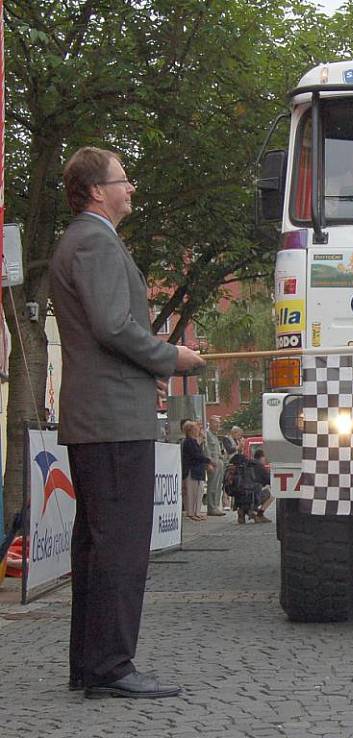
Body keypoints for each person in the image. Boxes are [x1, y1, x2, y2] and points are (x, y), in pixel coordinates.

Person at [50, 146, 205, 699]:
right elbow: (113, 326)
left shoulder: (85, 240)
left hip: (104, 414)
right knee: (118, 545)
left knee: (97, 544)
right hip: (111, 421)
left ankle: (91, 664)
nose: (131, 188)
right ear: (97, 190)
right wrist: (170, 358)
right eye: (123, 179)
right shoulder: (93, 240)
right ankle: (111, 666)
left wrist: (148, 371)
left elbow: (106, 335)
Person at [182, 421, 214, 521]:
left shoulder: (195, 442)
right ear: (190, 431)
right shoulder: (188, 442)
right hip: (192, 469)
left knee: (198, 491)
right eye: (196, 429)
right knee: (192, 492)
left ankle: (196, 511)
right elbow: (196, 455)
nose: (198, 431)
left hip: (198, 470)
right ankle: (191, 512)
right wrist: (208, 461)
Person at [203, 415, 226, 516]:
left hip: (219, 462)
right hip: (213, 463)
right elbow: (206, 449)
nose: (218, 425)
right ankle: (212, 507)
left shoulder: (215, 435)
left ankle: (216, 506)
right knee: (212, 485)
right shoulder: (207, 434)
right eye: (216, 423)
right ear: (210, 423)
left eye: (219, 423)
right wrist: (209, 462)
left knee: (218, 486)